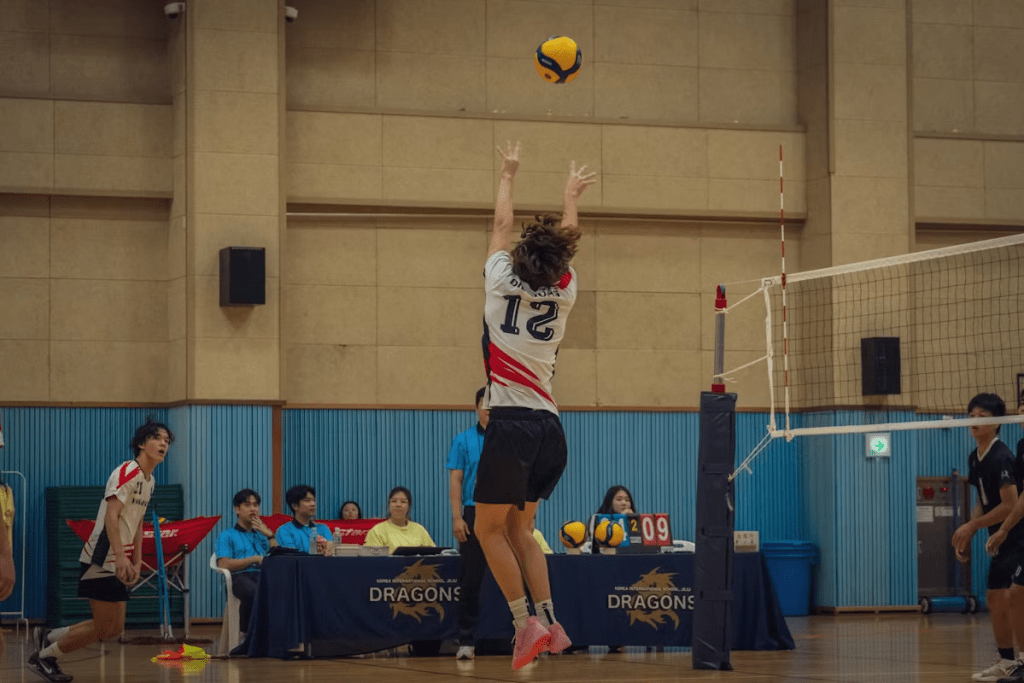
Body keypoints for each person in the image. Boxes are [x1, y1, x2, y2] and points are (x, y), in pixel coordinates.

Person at [473, 140, 596, 669]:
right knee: (521, 530)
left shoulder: (499, 281)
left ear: (519, 259)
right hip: (550, 429)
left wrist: (508, 173)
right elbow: (567, 246)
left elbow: (501, 226)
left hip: (512, 425)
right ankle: (552, 621)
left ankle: (525, 624)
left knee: (487, 531)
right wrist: (571, 197)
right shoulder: (565, 290)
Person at [30, 418, 174, 683]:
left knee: (114, 628)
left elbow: (138, 521)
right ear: (142, 444)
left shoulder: (150, 480)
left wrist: (137, 560)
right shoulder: (126, 471)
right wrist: (119, 557)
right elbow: (111, 516)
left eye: (167, 440)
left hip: (122, 557)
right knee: (103, 626)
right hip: (101, 557)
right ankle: (44, 656)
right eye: (157, 438)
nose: (164, 444)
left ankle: (49, 636)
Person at [950, 393, 1022, 682]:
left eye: (982, 416)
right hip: (1000, 539)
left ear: (996, 422)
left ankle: (1020, 661)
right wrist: (971, 528)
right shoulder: (974, 457)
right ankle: (1007, 661)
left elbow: (1010, 504)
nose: (975, 420)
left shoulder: (1002, 456)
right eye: (971, 415)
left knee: (1014, 597)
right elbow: (983, 501)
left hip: (1017, 536)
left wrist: (973, 527)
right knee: (994, 597)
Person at [982, 391, 1024, 683]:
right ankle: (1016, 661)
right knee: (1015, 595)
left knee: (1015, 595)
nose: (1022, 409)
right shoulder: (1022, 446)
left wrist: (1005, 528)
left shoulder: (1004, 454)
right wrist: (1003, 529)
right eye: (1021, 403)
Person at [446, 386, 489, 660]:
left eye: (495, 405)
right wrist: (457, 517)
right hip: (473, 514)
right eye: (485, 404)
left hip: (505, 514)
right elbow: (456, 480)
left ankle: (522, 636)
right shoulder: (463, 440)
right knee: (470, 580)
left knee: (513, 577)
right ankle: (466, 641)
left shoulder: (510, 440)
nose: (490, 409)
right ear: (476, 407)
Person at [215, 489, 278, 637]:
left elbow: (278, 558)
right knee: (253, 591)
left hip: (264, 576)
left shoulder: (263, 536)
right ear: (237, 509)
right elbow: (223, 563)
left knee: (289, 589)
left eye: (256, 505)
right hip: (240, 577)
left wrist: (269, 535)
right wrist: (254, 559)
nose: (253, 509)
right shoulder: (227, 535)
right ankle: (249, 634)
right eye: (247, 505)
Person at [364, 486, 434, 553]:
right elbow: (372, 559)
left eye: (403, 502)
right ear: (389, 505)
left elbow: (434, 555)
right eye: (394, 501)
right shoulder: (377, 531)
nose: (398, 505)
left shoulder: (420, 530)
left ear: (409, 507)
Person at [275, 485, 334, 556]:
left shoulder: (323, 528)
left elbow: (330, 549)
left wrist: (328, 549)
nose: (313, 504)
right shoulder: (285, 531)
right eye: (307, 500)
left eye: (314, 500)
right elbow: (291, 557)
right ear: (295, 506)